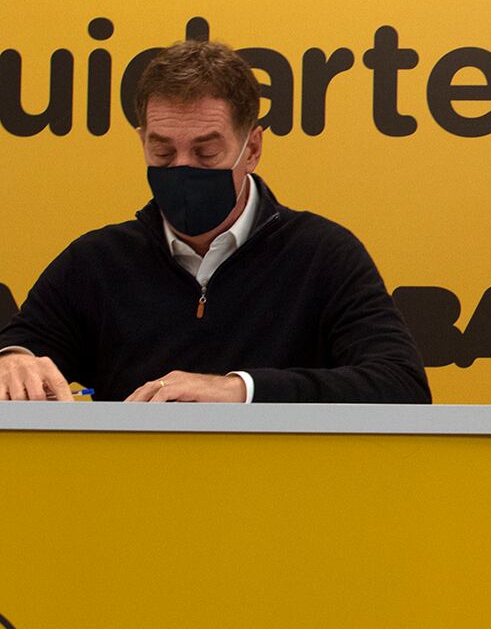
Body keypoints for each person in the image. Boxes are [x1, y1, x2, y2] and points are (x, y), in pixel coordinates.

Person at [0, 39, 431, 403]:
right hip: (129, 494)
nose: (183, 168)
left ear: (253, 148)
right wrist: (12, 359)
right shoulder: (97, 261)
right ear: (142, 141)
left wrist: (240, 390)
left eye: (206, 152)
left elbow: (401, 385)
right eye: (163, 152)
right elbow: (23, 348)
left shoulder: (322, 254)